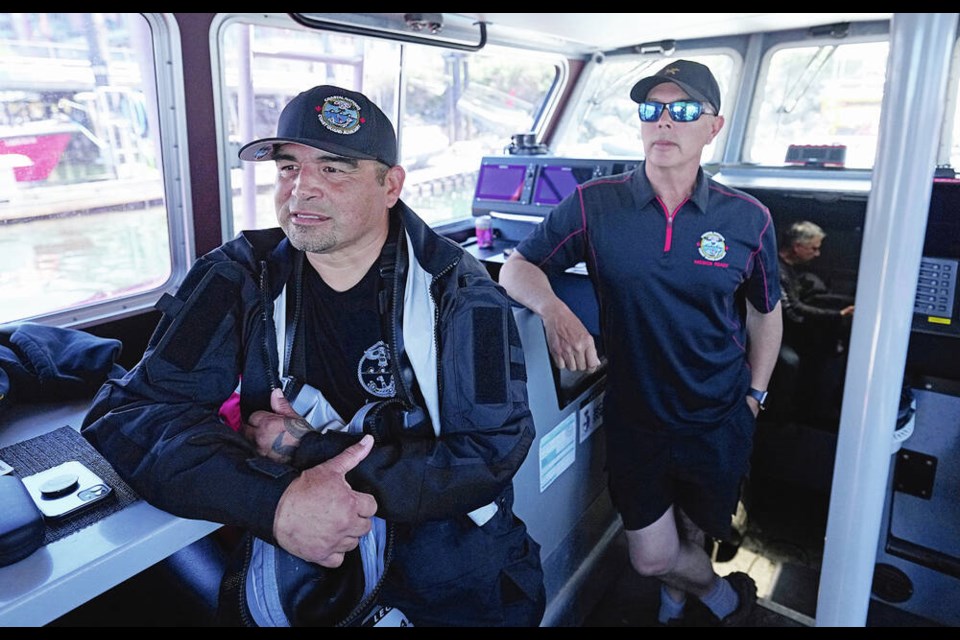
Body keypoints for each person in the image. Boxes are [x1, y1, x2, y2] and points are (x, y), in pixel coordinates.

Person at [81, 85, 545, 627]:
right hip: (295, 567)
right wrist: (272, 503)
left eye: (335, 169)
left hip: (449, 569)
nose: (302, 189)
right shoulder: (237, 275)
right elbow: (130, 414)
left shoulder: (459, 293)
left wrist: (306, 451)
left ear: (390, 185)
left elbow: (488, 455)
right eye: (288, 168)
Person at [498, 60, 782, 627]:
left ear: (713, 126)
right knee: (651, 554)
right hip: (637, 415)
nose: (663, 122)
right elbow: (518, 265)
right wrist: (552, 309)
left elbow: (764, 315)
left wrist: (755, 395)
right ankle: (726, 600)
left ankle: (673, 605)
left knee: (697, 527)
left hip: (720, 411)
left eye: (682, 111)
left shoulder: (748, 219)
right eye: (651, 111)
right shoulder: (595, 205)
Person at [777, 220, 855, 423]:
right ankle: (781, 417)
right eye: (814, 248)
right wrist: (837, 316)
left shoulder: (794, 269)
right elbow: (793, 311)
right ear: (797, 247)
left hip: (789, 328)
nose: (817, 254)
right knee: (791, 361)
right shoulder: (778, 271)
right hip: (775, 333)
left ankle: (813, 408)